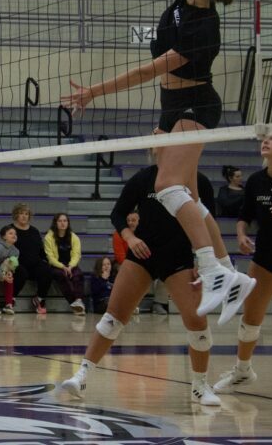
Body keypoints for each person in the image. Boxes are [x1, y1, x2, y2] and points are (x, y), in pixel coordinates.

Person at [62, 0, 262, 319]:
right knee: (187, 192)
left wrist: (93, 92)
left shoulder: (202, 28)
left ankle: (211, 270)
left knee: (168, 187)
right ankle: (231, 274)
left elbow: (145, 72)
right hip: (171, 106)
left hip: (195, 104)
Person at [59, 160, 223, 406]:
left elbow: (208, 225)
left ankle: (200, 386)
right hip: (143, 253)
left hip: (178, 257)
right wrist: (130, 237)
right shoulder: (145, 177)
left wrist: (204, 260)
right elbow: (118, 213)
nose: (155, 142)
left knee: (197, 322)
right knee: (113, 317)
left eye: (160, 135)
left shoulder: (198, 181)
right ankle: (82, 375)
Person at [214, 133, 272, 394]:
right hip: (266, 255)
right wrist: (240, 234)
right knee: (250, 317)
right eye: (265, 138)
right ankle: (242, 371)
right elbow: (244, 216)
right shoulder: (256, 181)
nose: (266, 141)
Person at [9, 202, 53, 313]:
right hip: (17, 265)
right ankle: (10, 300)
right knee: (21, 272)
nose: (24, 216)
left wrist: (49, 261)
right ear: (16, 215)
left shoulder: (34, 231)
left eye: (26, 214)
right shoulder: (10, 230)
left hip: (34, 264)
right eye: (21, 213)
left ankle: (39, 299)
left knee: (47, 269)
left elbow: (41, 250)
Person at [44, 212, 86, 314]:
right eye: (60, 221)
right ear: (55, 223)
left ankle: (79, 301)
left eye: (65, 221)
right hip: (56, 265)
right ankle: (75, 303)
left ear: (68, 223)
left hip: (70, 264)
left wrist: (70, 266)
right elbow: (50, 258)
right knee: (62, 275)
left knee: (78, 275)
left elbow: (76, 255)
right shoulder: (49, 237)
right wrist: (63, 266)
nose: (63, 223)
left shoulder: (74, 237)